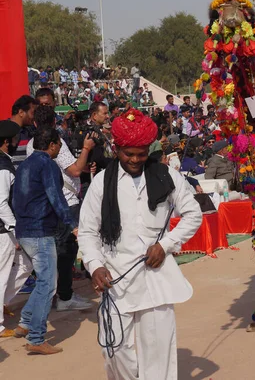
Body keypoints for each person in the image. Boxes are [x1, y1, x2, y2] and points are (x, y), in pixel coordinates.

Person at [78, 109, 202, 379]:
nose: (135, 160)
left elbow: (194, 215)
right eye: (129, 154)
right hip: (115, 279)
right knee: (114, 350)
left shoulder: (166, 176)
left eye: (141, 154)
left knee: (158, 353)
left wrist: (166, 245)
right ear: (117, 149)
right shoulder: (101, 183)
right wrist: (95, 266)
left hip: (156, 279)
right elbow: (87, 232)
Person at [12, 128, 77, 354]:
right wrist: (72, 224)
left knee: (43, 282)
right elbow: (56, 197)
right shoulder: (48, 165)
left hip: (25, 229)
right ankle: (37, 338)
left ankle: (26, 322)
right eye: (59, 144)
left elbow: (15, 198)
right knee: (48, 284)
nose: (60, 148)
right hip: (40, 230)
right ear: (51, 144)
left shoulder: (25, 166)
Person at [26, 105, 96, 312]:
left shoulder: (32, 144)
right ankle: (64, 296)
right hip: (65, 201)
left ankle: (55, 295)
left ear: (35, 123)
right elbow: (74, 171)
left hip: (48, 203)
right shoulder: (57, 142)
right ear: (54, 123)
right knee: (66, 250)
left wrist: (82, 165)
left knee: (55, 252)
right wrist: (86, 149)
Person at [0, 120, 33, 338]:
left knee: (26, 264)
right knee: (2, 275)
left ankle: (2, 302)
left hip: (6, 229)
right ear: (6, 142)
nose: (16, 143)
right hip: (4, 231)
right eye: (14, 140)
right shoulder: (3, 167)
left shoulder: (5, 162)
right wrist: (14, 227)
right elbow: (1, 202)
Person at [10, 95, 38, 170]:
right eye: (33, 113)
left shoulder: (29, 131)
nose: (34, 116)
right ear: (21, 112)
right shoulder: (5, 131)